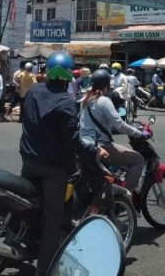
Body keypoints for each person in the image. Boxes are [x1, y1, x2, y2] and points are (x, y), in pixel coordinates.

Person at [19, 51, 108, 276]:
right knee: (52, 219)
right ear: (69, 75)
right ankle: (45, 269)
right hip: (52, 170)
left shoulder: (33, 92)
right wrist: (94, 148)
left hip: (28, 160)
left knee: (28, 207)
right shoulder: (66, 102)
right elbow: (71, 139)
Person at [79, 68, 148, 203]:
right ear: (106, 87)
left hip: (84, 144)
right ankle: (125, 200)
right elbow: (120, 124)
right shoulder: (103, 101)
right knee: (138, 159)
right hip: (101, 146)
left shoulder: (85, 99)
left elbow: (97, 123)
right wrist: (140, 134)